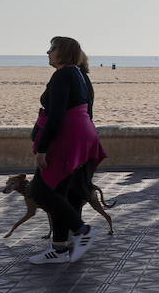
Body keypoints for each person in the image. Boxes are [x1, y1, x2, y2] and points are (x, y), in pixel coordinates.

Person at [28, 36, 106, 265]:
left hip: (67, 139)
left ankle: (83, 231)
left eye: (52, 48)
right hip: (79, 136)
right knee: (59, 191)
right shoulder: (78, 74)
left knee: (40, 191)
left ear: (64, 53)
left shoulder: (63, 74)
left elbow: (57, 114)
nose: (48, 52)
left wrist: (43, 148)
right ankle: (59, 249)